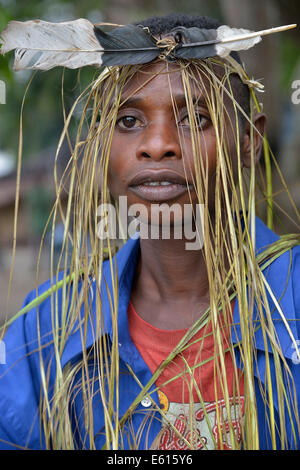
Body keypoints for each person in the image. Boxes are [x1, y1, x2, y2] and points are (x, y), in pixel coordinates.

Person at [0, 13, 300, 451]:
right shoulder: (44, 329)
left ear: (248, 144)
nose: (157, 143)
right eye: (128, 121)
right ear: (100, 145)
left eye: (196, 118)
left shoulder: (291, 298)